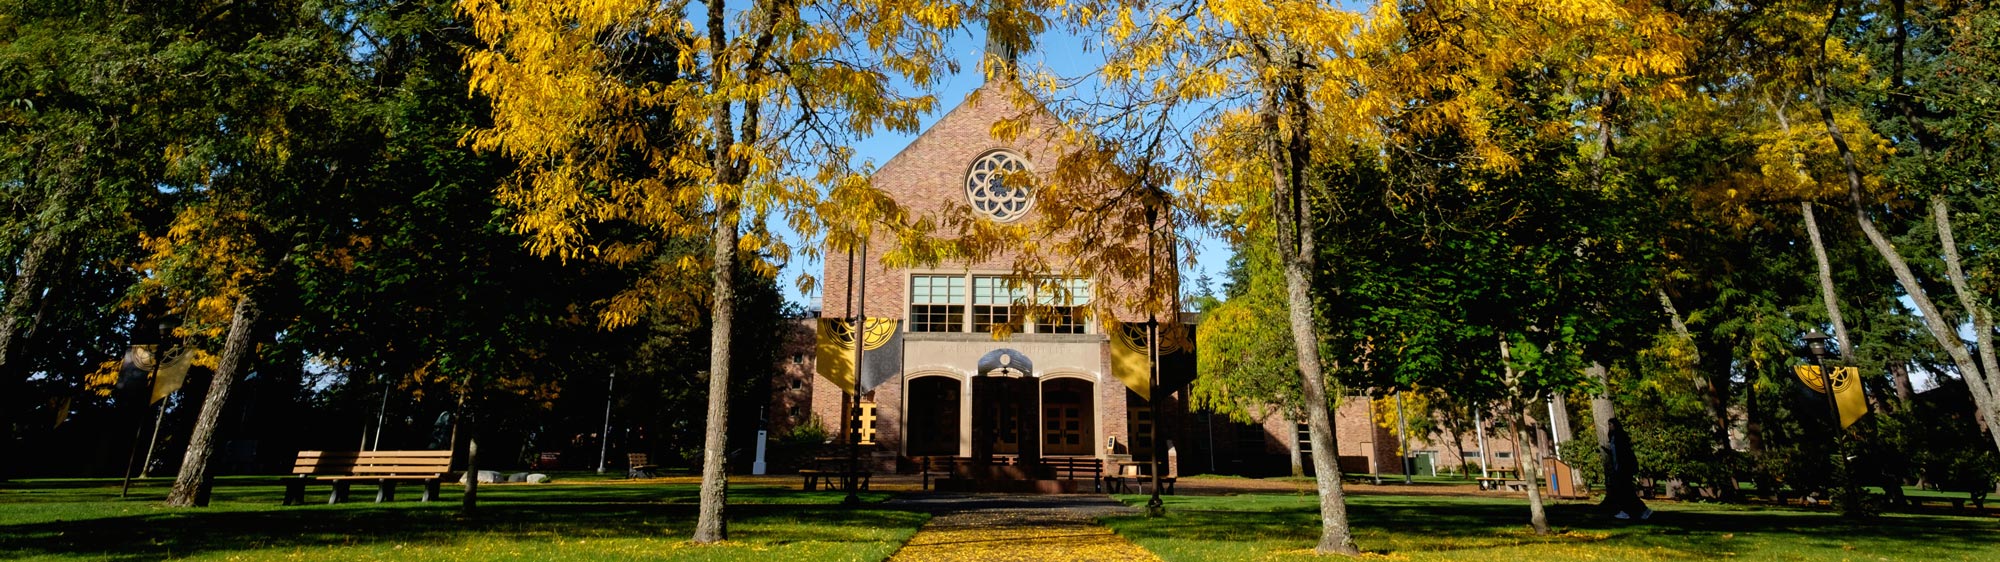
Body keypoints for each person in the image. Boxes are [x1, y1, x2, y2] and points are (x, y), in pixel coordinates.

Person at [1604, 418, 1653, 520]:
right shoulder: (1614, 437)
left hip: (1623, 469)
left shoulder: (1619, 437)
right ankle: (1638, 511)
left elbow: (1622, 454)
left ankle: (1631, 511)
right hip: (1620, 468)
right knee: (1626, 492)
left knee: (1625, 491)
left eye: (1611, 424)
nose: (1610, 427)